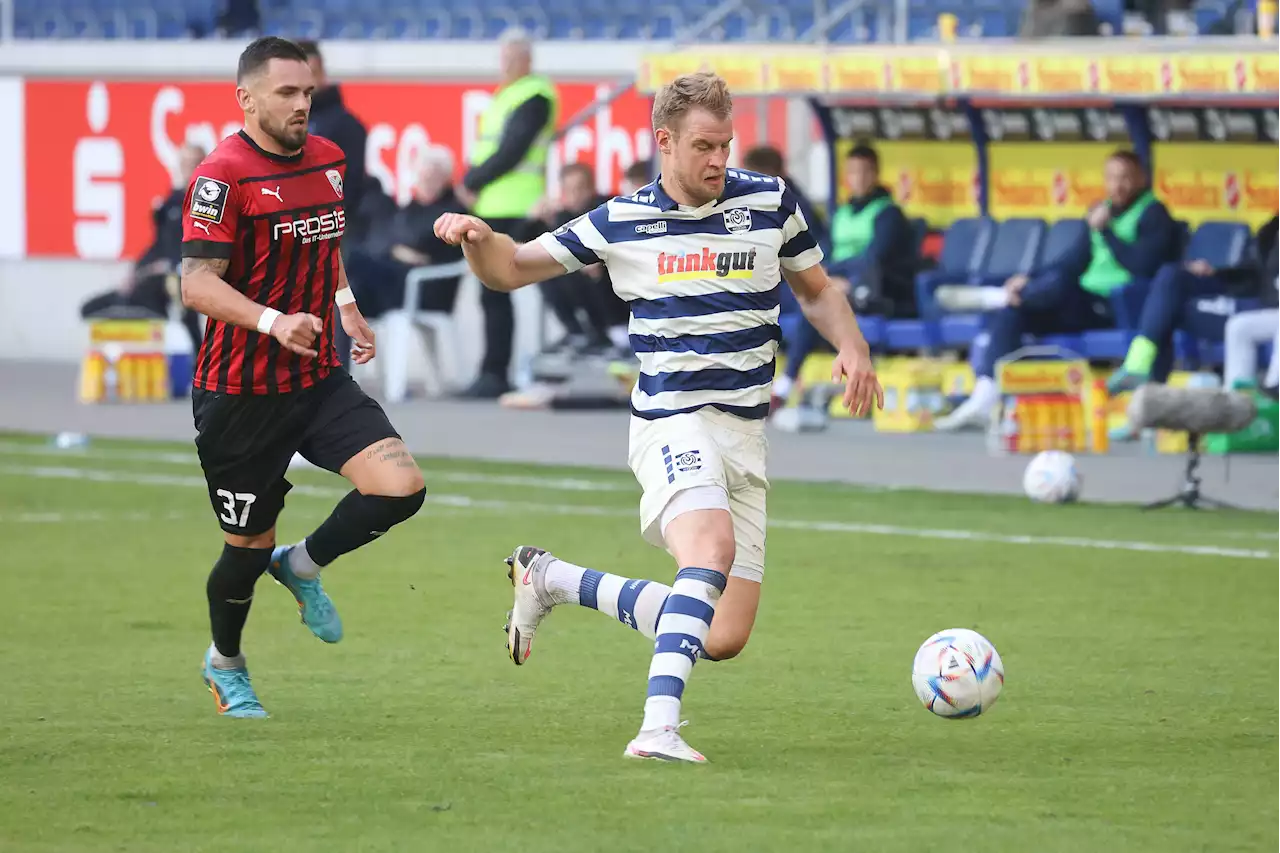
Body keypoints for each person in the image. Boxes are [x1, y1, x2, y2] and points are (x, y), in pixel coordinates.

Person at [434, 71, 883, 762]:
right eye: (703, 146)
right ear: (664, 142)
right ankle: (657, 728)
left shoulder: (769, 202)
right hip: (673, 418)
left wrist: (851, 344)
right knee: (709, 551)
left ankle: (549, 577)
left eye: (725, 145)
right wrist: (474, 237)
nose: (717, 160)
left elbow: (815, 290)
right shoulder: (621, 219)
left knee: (720, 634)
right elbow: (513, 266)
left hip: (745, 431)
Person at [180, 37, 425, 719]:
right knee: (244, 550)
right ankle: (225, 661)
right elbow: (197, 284)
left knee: (401, 486)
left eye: (308, 93)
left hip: (315, 377)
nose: (301, 105)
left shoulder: (329, 160)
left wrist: (345, 307)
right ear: (247, 98)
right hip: (240, 394)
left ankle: (305, 564)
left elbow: (324, 239)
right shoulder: (220, 177)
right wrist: (270, 321)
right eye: (286, 93)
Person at [935, 150, 1178, 430]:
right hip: (1080, 302)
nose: (1117, 185)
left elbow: (1143, 266)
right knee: (1013, 311)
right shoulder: (1103, 211)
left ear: (1141, 179)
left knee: (1058, 287)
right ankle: (983, 399)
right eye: (1111, 178)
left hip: (1115, 306)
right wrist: (1028, 277)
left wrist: (1108, 231)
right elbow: (1072, 260)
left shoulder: (1154, 213)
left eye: (1125, 178)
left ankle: (997, 297)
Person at [769, 143, 915, 411]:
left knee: (812, 304)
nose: (858, 179)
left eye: (864, 172)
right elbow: (822, 253)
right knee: (773, 298)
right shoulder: (841, 213)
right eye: (852, 172)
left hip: (869, 289)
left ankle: (785, 384)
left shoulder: (887, 213)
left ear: (875, 174)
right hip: (834, 282)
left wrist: (831, 278)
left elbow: (875, 259)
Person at [456, 28, 560, 399]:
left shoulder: (534, 95)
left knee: (509, 288)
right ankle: (492, 371)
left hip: (517, 205)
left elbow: (513, 149)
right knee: (492, 292)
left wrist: (473, 179)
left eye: (511, 58)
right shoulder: (509, 94)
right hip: (494, 206)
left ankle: (497, 372)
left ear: (526, 59)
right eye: (503, 58)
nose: (505, 65)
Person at [1107, 212, 1280, 394]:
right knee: (1171, 277)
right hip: (1249, 296)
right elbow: (1256, 272)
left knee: (1169, 310)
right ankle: (1141, 373)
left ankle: (1145, 385)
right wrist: (1215, 272)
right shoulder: (1274, 226)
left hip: (1263, 308)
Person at [81, 142, 207, 349]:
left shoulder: (208, 201)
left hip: (184, 276)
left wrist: (171, 266)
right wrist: (138, 270)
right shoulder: (171, 202)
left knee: (179, 299)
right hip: (155, 277)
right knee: (94, 308)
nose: (187, 169)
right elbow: (159, 243)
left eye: (193, 163)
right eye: (183, 163)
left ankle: (195, 363)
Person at [343, 144, 467, 319]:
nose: (427, 181)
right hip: (395, 279)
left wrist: (396, 248)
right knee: (348, 290)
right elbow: (388, 236)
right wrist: (396, 249)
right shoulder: (412, 207)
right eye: (424, 175)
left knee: (351, 258)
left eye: (434, 176)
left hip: (424, 288)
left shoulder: (454, 211)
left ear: (446, 178)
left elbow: (420, 240)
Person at [528, 161, 627, 358]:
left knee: (593, 270)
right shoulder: (562, 215)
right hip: (582, 277)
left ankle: (617, 331)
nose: (575, 195)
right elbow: (523, 242)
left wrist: (600, 259)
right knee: (549, 272)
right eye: (569, 190)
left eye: (580, 188)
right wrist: (533, 218)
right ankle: (579, 332)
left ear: (591, 187)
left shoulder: (607, 208)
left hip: (615, 275)